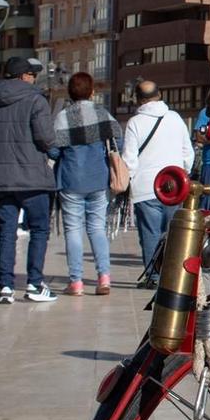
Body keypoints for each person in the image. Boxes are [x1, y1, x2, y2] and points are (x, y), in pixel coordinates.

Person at [0, 56, 57, 304]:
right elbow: (46, 138)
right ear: (23, 77)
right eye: (32, 75)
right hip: (32, 177)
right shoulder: (35, 100)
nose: (34, 79)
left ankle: (5, 286)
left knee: (6, 231)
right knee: (39, 229)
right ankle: (34, 283)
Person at [53, 71, 120, 296]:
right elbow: (117, 139)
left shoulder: (63, 116)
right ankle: (104, 278)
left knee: (73, 230)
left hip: (71, 179)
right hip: (98, 179)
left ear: (70, 93)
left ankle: (77, 282)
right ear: (92, 92)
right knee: (97, 228)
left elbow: (53, 151)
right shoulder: (101, 113)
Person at [122, 79, 194, 271]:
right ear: (159, 95)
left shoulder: (134, 123)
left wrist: (128, 182)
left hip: (146, 187)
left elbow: (129, 159)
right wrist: (184, 173)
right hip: (174, 185)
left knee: (150, 234)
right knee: (172, 234)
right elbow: (188, 152)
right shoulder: (176, 118)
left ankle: (153, 275)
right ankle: (172, 275)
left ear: (138, 99)